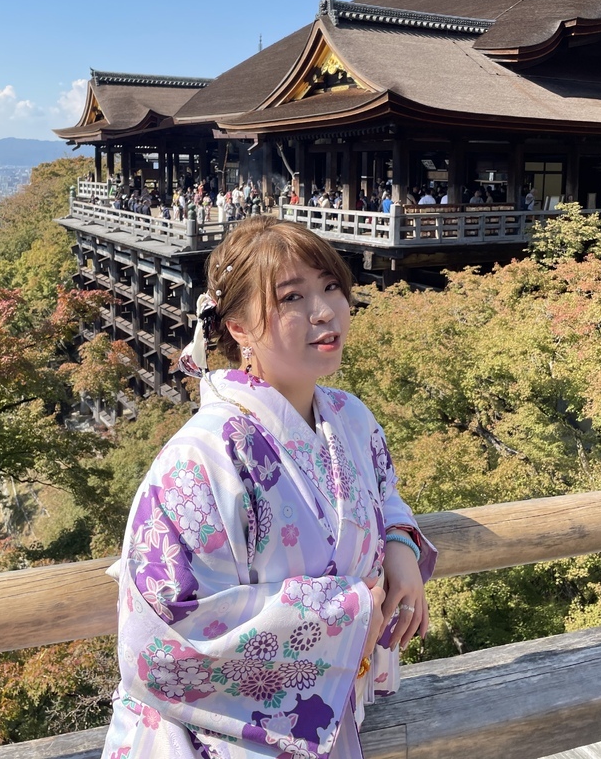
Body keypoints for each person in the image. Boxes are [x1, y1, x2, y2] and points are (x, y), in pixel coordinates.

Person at [102, 217, 436, 759]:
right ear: (236, 327)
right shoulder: (201, 457)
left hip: (328, 724)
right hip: (220, 741)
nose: (324, 312)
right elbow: (159, 637)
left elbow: (383, 493)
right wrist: (347, 613)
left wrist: (399, 539)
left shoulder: (349, 418)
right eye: (291, 298)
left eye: (331, 287)